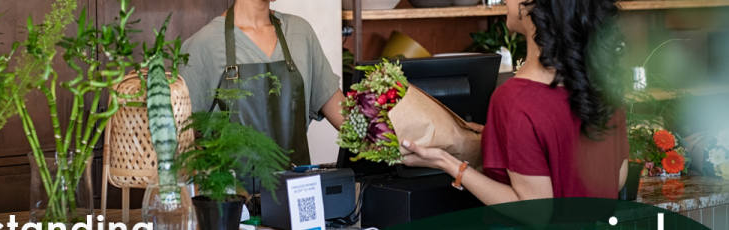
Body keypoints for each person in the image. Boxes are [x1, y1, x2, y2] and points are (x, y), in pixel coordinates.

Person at [399, 0, 629, 205]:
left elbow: (534, 213)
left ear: (531, 5)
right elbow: (616, 180)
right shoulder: (604, 86)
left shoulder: (515, 99)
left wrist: (446, 162)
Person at [179, 0, 345, 190]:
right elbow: (182, 142)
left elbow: (347, 121)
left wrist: (383, 134)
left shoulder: (300, 33)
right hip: (233, 206)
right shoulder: (205, 44)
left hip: (298, 198)